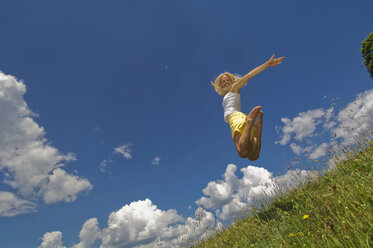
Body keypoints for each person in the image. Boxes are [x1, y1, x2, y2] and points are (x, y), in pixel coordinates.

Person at [211, 54, 285, 160]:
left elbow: (249, 75)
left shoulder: (235, 88)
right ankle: (258, 127)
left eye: (228, 80)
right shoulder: (226, 94)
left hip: (235, 118)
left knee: (242, 152)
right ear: (221, 85)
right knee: (253, 156)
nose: (226, 82)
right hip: (241, 119)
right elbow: (220, 92)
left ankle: (250, 121)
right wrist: (215, 87)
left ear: (233, 81)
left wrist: (267, 64)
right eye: (224, 81)